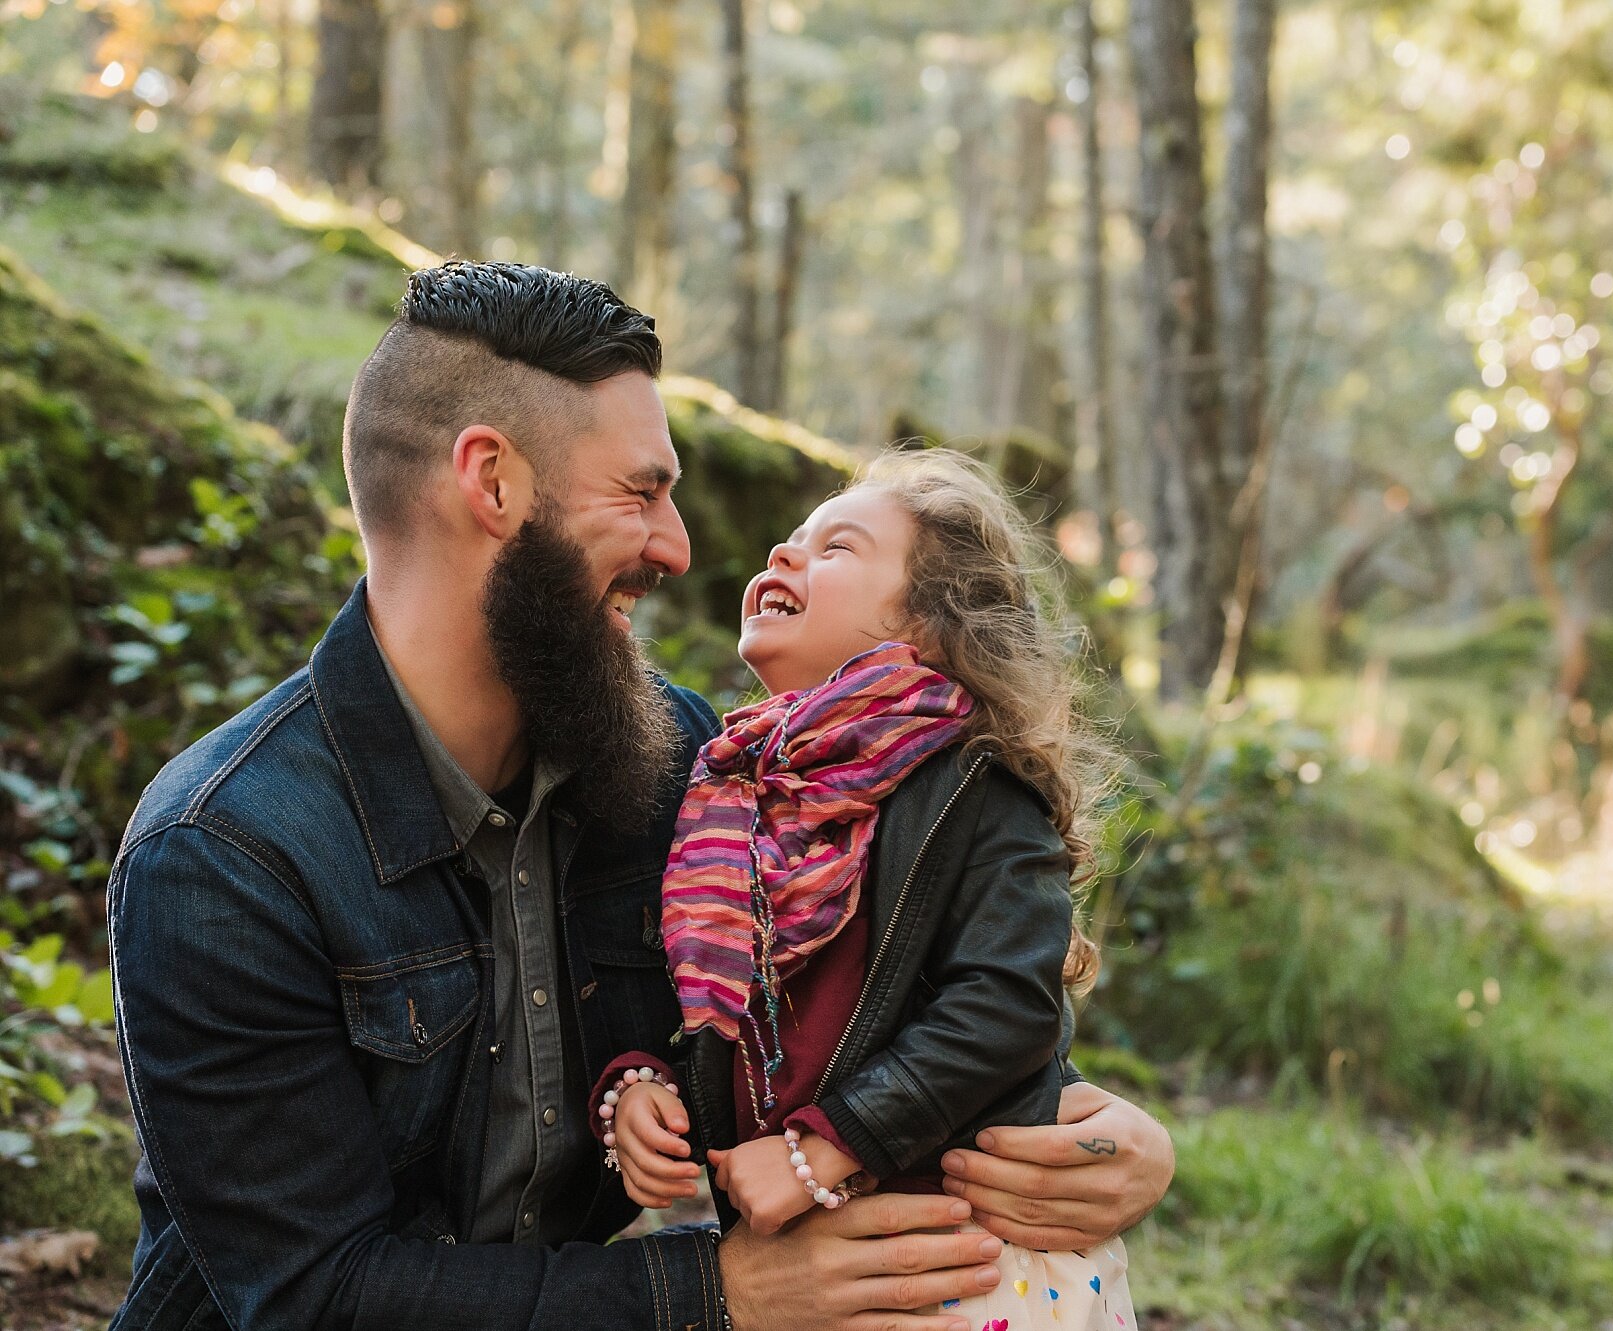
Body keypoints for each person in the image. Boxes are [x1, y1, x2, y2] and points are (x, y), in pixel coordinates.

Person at [105, 261, 1173, 1331]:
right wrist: (719, 1291)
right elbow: (314, 1300)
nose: (679, 548)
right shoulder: (223, 854)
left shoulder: (697, 774)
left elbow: (902, 990)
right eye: (640, 492)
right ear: (492, 483)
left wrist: (1111, 1135)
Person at [596, 449, 1137, 1329]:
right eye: (791, 538)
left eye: (837, 547)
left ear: (925, 629)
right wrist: (644, 1087)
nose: (783, 553)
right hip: (814, 1268)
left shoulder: (976, 787)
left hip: (964, 1260)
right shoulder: (728, 797)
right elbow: (728, 1011)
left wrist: (819, 1150)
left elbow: (1005, 1006)